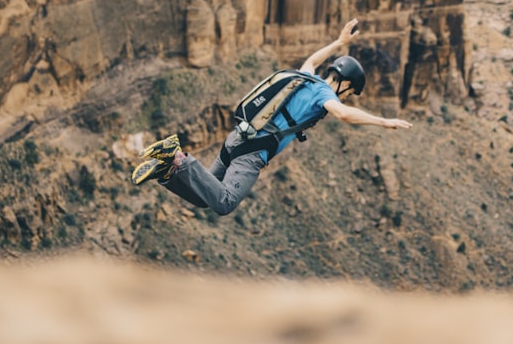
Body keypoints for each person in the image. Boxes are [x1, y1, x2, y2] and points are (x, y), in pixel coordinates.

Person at [130, 18, 412, 215]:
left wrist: (339, 42)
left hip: (235, 140)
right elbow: (343, 114)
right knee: (224, 202)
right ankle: (180, 159)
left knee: (206, 197)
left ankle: (166, 169)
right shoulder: (324, 95)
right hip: (252, 154)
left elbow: (313, 60)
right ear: (346, 84)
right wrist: (383, 121)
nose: (347, 97)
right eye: (350, 92)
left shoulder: (304, 77)